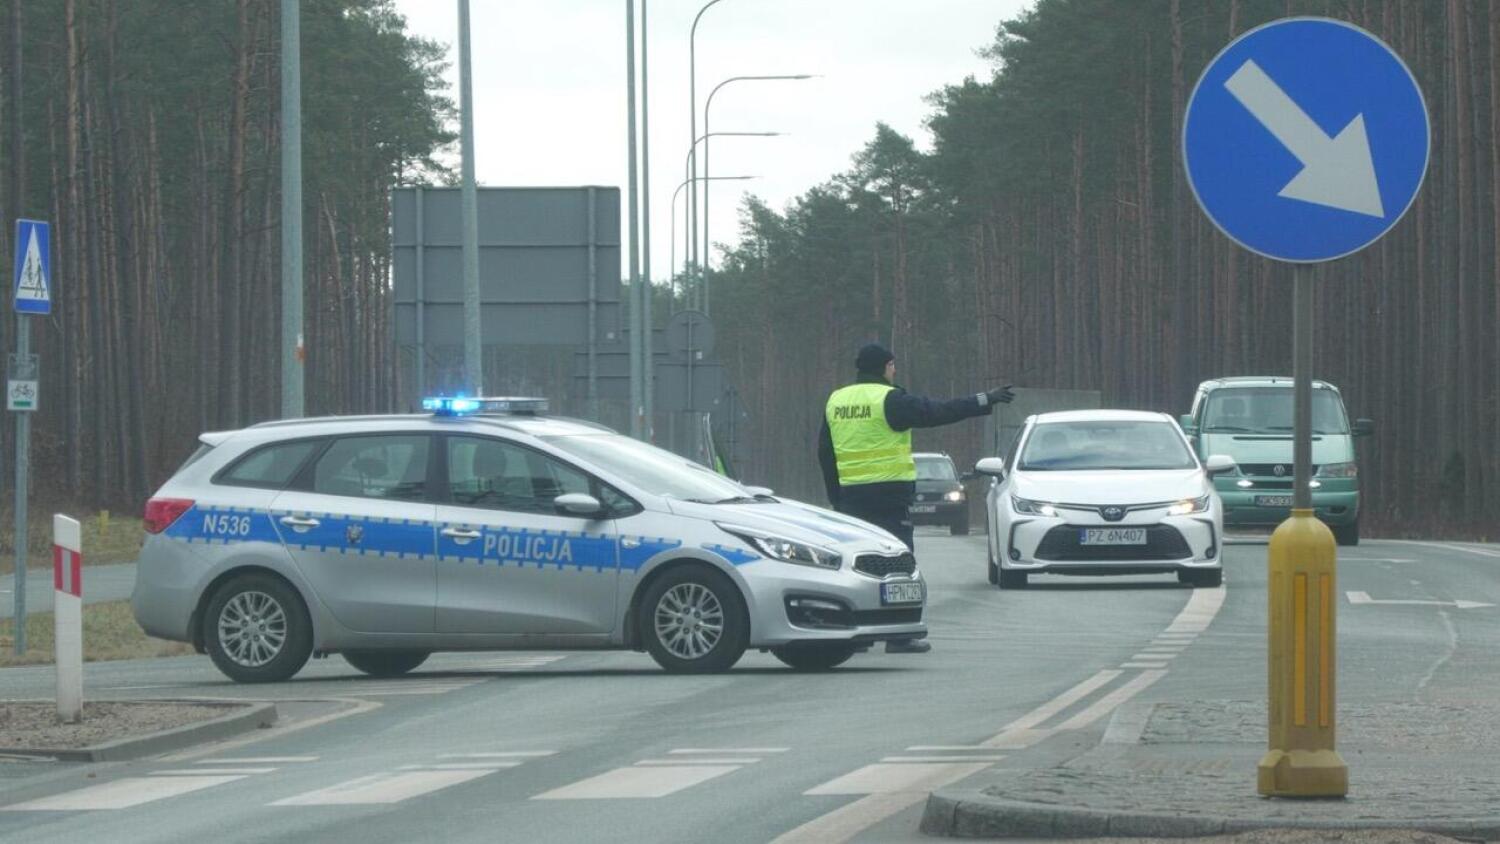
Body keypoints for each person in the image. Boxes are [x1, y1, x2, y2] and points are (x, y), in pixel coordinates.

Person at [818, 343, 1014, 654]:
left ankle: (856, 633)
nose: (895, 371)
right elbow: (937, 411)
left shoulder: (836, 401)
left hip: (851, 500)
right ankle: (899, 634)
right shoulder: (889, 399)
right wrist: (982, 400)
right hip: (889, 497)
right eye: (893, 366)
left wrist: (836, 499)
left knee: (853, 566)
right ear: (885, 366)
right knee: (898, 564)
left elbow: (825, 455)